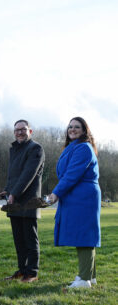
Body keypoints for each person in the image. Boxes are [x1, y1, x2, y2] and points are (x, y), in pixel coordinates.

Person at [48, 117, 101, 288]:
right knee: (84, 234)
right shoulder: (74, 147)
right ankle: (89, 277)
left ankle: (84, 279)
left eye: (77, 127)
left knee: (85, 235)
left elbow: (72, 174)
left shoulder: (83, 148)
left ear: (84, 130)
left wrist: (56, 193)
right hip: (76, 196)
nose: (72, 129)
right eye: (70, 127)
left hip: (83, 197)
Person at [0, 119, 45, 283]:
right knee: (19, 240)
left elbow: (28, 174)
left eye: (23, 129)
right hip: (15, 201)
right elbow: (13, 174)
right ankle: (22, 270)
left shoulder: (36, 148)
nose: (19, 132)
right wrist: (7, 189)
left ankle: (32, 273)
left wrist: (14, 193)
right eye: (17, 130)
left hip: (28, 201)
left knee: (30, 239)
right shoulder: (14, 149)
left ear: (30, 131)